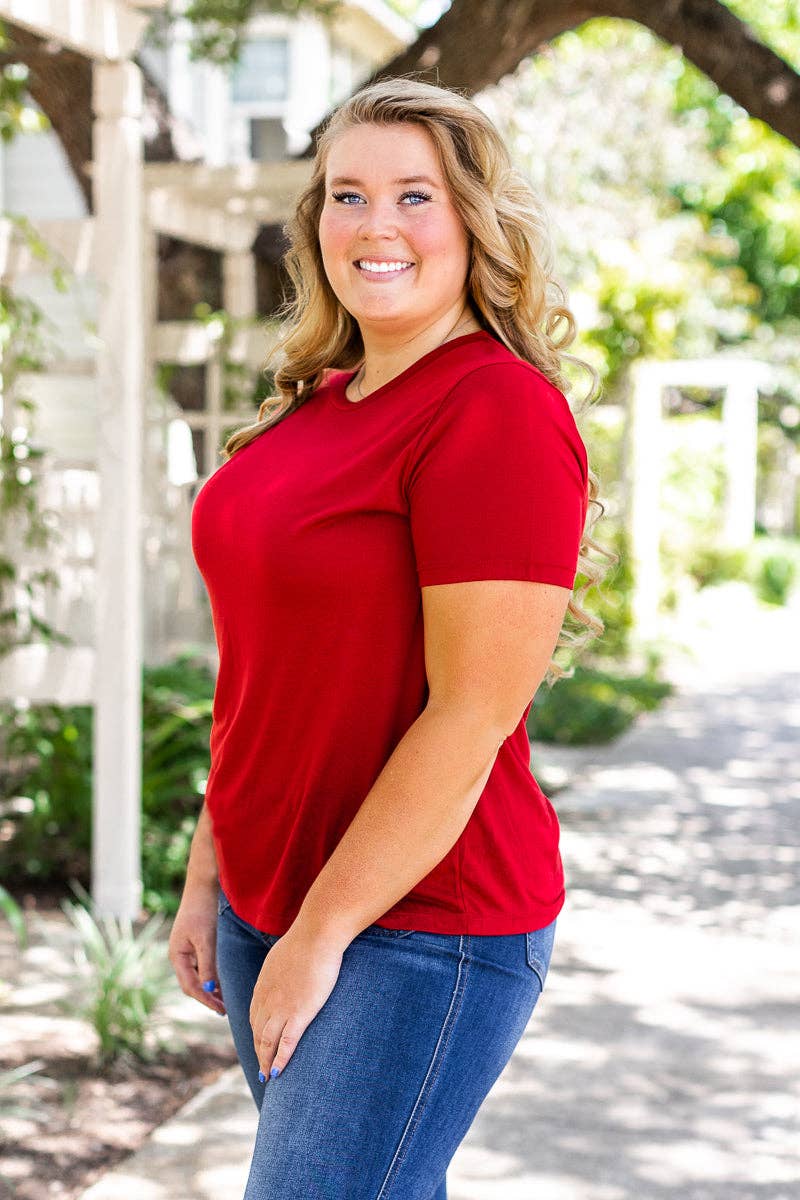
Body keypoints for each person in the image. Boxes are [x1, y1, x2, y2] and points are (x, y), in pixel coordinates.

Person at [168, 75, 614, 1200]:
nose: (375, 226)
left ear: (472, 221)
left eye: (415, 196)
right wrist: (207, 871)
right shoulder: (314, 402)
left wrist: (319, 938)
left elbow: (470, 714)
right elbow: (262, 670)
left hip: (419, 922)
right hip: (267, 901)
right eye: (347, 195)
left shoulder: (494, 411)